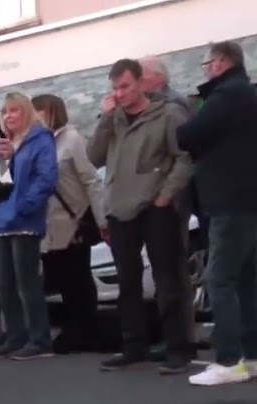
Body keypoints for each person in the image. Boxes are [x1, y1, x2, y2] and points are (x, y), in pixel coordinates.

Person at [88, 58, 194, 374]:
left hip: (154, 206)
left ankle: (178, 347)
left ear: (141, 84)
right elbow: (94, 156)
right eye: (115, 88)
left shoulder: (168, 114)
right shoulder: (114, 119)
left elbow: (185, 158)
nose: (119, 93)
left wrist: (165, 195)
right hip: (120, 208)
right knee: (128, 281)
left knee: (167, 279)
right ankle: (134, 345)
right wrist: (106, 118)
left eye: (125, 86)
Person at [178, 41, 257, 386]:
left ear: (222, 62)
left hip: (229, 201)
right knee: (247, 280)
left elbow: (187, 135)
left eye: (207, 64)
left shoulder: (226, 96)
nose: (206, 70)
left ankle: (229, 360)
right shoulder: (249, 94)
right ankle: (252, 357)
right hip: (248, 201)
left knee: (220, 279)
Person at [0, 92, 59, 360]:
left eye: (14, 110)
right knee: (4, 282)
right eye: (5, 111)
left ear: (26, 112)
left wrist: (25, 206)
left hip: (25, 221)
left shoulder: (40, 140)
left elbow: (46, 178)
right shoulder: (6, 143)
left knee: (27, 283)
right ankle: (16, 335)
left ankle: (39, 339)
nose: (8, 116)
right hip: (2, 221)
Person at [32, 93, 104, 354]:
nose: (37, 116)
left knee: (78, 276)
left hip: (73, 219)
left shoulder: (71, 139)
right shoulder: (37, 143)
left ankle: (85, 328)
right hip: (49, 224)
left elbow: (90, 180)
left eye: (41, 111)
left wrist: (101, 218)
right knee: (62, 277)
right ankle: (75, 326)